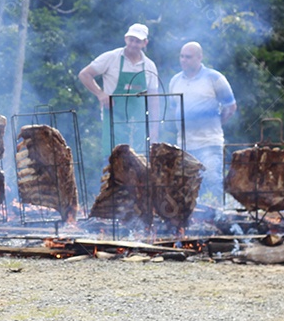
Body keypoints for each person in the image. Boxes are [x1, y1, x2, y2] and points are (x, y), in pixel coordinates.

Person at [78, 23, 162, 161]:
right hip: (114, 123)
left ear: (145, 43)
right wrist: (100, 93)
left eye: (138, 41)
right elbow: (84, 74)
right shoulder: (111, 58)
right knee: (112, 167)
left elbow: (154, 99)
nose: (133, 44)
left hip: (139, 126)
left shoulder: (149, 65)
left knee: (139, 170)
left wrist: (154, 129)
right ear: (125, 39)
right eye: (131, 40)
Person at [168, 41, 237, 202]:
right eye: (182, 57)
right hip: (185, 145)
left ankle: (220, 217)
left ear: (200, 57)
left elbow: (231, 107)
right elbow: (173, 108)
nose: (184, 60)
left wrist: (215, 124)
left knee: (213, 180)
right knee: (184, 187)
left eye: (188, 57)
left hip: (209, 143)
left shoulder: (215, 78)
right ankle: (190, 223)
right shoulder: (175, 81)